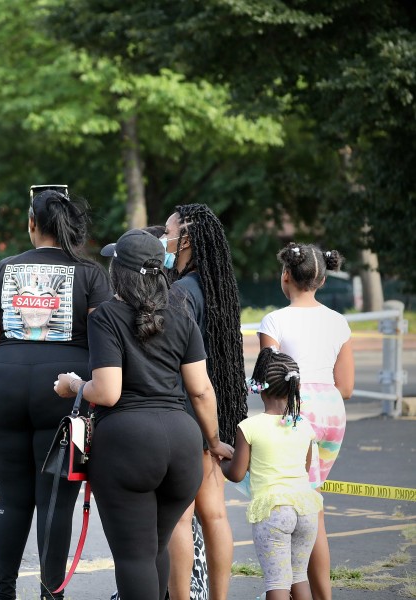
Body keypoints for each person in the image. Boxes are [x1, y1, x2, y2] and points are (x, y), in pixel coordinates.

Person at [55, 229, 234, 600]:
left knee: (134, 556)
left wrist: (73, 385)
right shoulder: (181, 315)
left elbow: (107, 391)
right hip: (183, 444)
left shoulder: (107, 316)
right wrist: (214, 441)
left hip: (128, 444)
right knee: (156, 545)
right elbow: (201, 389)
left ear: (119, 271)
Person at [0, 186, 111, 600]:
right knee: (56, 501)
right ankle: (51, 594)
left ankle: (4, 592)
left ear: (32, 224)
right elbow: (103, 341)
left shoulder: (2, 270)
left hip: (5, 383)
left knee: (12, 500)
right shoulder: (90, 274)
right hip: (63, 389)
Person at [159, 204, 249, 600]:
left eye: (168, 232)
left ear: (187, 239)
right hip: (216, 414)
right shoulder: (218, 288)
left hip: (187, 412)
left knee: (180, 518)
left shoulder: (180, 293)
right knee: (214, 514)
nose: (164, 239)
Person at [257, 243, 353, 600]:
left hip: (297, 410)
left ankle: (295, 590)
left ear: (286, 275)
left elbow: (271, 379)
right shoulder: (338, 321)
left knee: (299, 510)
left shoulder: (275, 320)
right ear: (323, 278)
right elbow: (346, 386)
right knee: (312, 503)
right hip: (331, 412)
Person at [221, 348, 324, 600]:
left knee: (277, 581)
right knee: (299, 576)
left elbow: (236, 473)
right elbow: (305, 468)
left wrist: (221, 460)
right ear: (294, 388)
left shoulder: (249, 427)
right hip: (306, 509)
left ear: (261, 388)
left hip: (273, 511)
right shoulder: (304, 426)